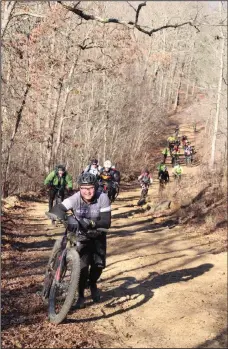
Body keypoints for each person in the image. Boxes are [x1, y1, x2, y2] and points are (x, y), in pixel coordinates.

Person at [48, 172, 111, 309]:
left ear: (95, 187)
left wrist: (91, 223)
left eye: (90, 188)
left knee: (98, 266)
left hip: (98, 235)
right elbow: (59, 207)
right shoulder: (75, 198)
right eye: (83, 188)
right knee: (82, 268)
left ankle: (93, 283)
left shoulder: (103, 198)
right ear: (79, 188)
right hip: (80, 235)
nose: (87, 191)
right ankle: (81, 296)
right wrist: (61, 217)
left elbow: (106, 222)